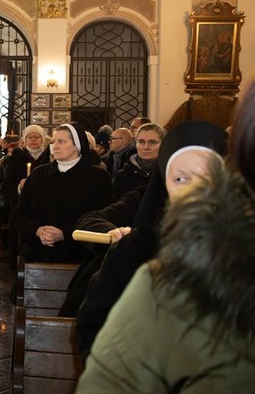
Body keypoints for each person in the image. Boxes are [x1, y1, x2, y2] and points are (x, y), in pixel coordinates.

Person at [70, 157, 255, 394]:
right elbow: (99, 340)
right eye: (181, 178)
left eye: (206, 177)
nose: (194, 190)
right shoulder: (140, 258)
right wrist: (114, 232)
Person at [75, 120, 227, 359]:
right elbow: (95, 328)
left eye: (205, 176)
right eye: (180, 179)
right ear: (166, 183)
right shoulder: (132, 249)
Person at [12, 123, 113, 263]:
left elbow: (103, 219)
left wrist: (65, 233)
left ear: (77, 145)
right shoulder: (39, 174)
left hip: (80, 255)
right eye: (54, 141)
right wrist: (37, 230)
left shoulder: (98, 178)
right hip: (38, 252)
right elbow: (20, 212)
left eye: (61, 141)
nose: (55, 146)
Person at [113, 123, 165, 199]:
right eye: (141, 142)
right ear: (136, 144)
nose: (146, 147)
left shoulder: (171, 174)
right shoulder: (122, 175)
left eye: (153, 142)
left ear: (163, 144)